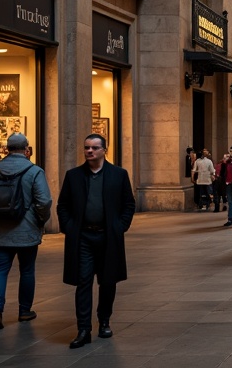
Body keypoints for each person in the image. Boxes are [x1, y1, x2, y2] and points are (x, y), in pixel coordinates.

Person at [57, 132, 136, 349]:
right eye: (86, 148)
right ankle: (83, 328)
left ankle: (104, 320)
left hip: (108, 236)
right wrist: (69, 227)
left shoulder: (118, 174)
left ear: (104, 150)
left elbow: (128, 204)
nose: (89, 151)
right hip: (82, 237)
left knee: (108, 280)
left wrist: (119, 227)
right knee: (83, 282)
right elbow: (62, 205)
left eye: (94, 148)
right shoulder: (73, 175)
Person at [0, 132, 52, 328]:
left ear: (6, 149)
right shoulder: (34, 171)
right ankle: (24, 310)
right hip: (26, 230)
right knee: (27, 270)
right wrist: (40, 219)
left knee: (1, 269)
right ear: (26, 150)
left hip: (0, 231)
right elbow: (44, 201)